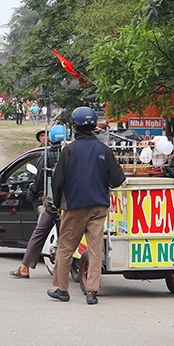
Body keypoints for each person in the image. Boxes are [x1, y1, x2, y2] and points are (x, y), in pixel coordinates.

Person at [48, 108, 125, 304]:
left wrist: (57, 204)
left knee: (65, 248)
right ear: (94, 126)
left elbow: (58, 181)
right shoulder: (103, 150)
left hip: (74, 206)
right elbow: (117, 179)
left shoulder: (69, 150)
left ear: (74, 126)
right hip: (99, 206)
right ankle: (92, 292)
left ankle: (62, 289)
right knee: (95, 248)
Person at [10, 127, 66, 279]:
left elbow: (39, 179)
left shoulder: (47, 155)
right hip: (72, 203)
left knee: (39, 233)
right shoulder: (73, 153)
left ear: (50, 138)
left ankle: (25, 267)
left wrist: (31, 194)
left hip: (53, 204)